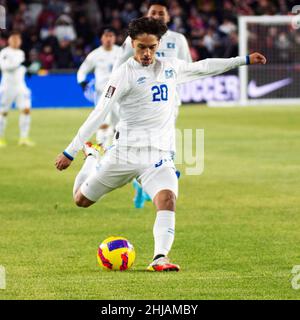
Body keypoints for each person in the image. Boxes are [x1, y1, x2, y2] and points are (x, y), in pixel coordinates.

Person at [55, 17, 266, 272]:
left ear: (158, 45)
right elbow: (99, 113)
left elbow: (204, 66)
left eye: (152, 47)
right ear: (132, 44)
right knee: (81, 200)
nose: (146, 53)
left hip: (158, 155)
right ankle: (93, 156)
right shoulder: (123, 74)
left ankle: (160, 258)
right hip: (124, 153)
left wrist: (242, 60)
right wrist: (71, 150)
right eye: (141, 47)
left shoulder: (170, 67)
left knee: (167, 199)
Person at [113, 0, 192, 209]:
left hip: (168, 102)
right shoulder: (134, 40)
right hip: (138, 103)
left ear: (168, 17)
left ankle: (155, 185)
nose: (157, 16)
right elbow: (119, 67)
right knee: (140, 148)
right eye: (153, 13)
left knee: (163, 148)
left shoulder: (179, 40)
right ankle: (145, 184)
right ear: (147, 15)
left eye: (161, 13)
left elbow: (188, 69)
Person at [77, 27, 122, 148]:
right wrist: (82, 81)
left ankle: (116, 148)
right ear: (102, 38)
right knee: (103, 121)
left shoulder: (121, 52)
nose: (109, 39)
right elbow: (82, 70)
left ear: (115, 38)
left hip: (119, 93)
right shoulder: (95, 55)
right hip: (102, 94)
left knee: (120, 122)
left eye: (111, 36)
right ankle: (102, 148)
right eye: (106, 36)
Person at [0, 32, 35, 147]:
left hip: (20, 86)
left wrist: (27, 69)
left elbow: (21, 67)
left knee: (26, 110)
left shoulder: (21, 53)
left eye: (17, 40)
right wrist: (20, 63)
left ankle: (24, 138)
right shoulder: (4, 52)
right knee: (3, 112)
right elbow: (4, 67)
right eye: (13, 39)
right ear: (9, 41)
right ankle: (1, 139)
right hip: (7, 87)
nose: (16, 42)